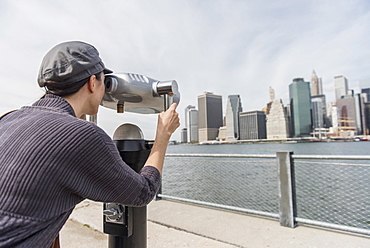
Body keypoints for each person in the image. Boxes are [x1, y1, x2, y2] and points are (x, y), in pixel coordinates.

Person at [0, 41, 180, 247]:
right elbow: (143, 192)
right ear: (92, 82)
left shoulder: (9, 119)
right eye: (104, 82)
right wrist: (163, 136)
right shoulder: (83, 136)